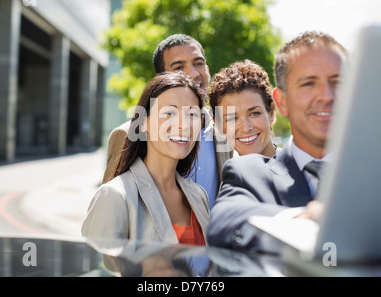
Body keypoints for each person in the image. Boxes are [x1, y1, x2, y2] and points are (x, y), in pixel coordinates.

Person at [207, 30, 348, 250]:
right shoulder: (246, 173)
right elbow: (224, 222)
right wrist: (304, 220)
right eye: (309, 83)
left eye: (337, 81)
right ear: (282, 102)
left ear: (271, 112)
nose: (326, 96)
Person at [102, 34, 233, 210]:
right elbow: (111, 207)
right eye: (179, 67)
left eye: (199, 63)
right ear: (162, 79)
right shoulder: (129, 134)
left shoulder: (225, 131)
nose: (194, 73)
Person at [82, 71, 209, 246]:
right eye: (169, 113)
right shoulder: (115, 196)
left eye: (192, 114)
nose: (183, 124)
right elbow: (102, 271)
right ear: (143, 122)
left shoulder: (199, 195)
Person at [208, 59, 281, 157]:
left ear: (271, 113)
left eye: (254, 113)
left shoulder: (301, 170)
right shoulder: (227, 171)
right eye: (232, 118)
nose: (246, 128)